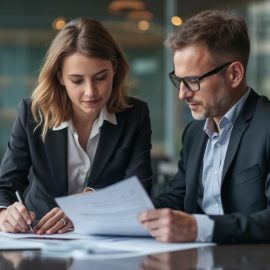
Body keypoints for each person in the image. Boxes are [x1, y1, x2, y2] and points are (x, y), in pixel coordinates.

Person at [0, 18, 152, 234]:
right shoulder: (32, 114)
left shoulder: (135, 115)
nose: (90, 92)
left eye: (100, 77)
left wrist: (89, 202)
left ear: (114, 69)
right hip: (41, 236)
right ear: (60, 77)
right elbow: (6, 184)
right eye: (77, 80)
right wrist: (5, 213)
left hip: (106, 239)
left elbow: (139, 190)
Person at [139, 9, 270, 244]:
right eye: (179, 80)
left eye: (192, 80)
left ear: (235, 74)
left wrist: (200, 228)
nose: (182, 94)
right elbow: (176, 198)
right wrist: (115, 215)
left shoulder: (266, 127)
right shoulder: (194, 134)